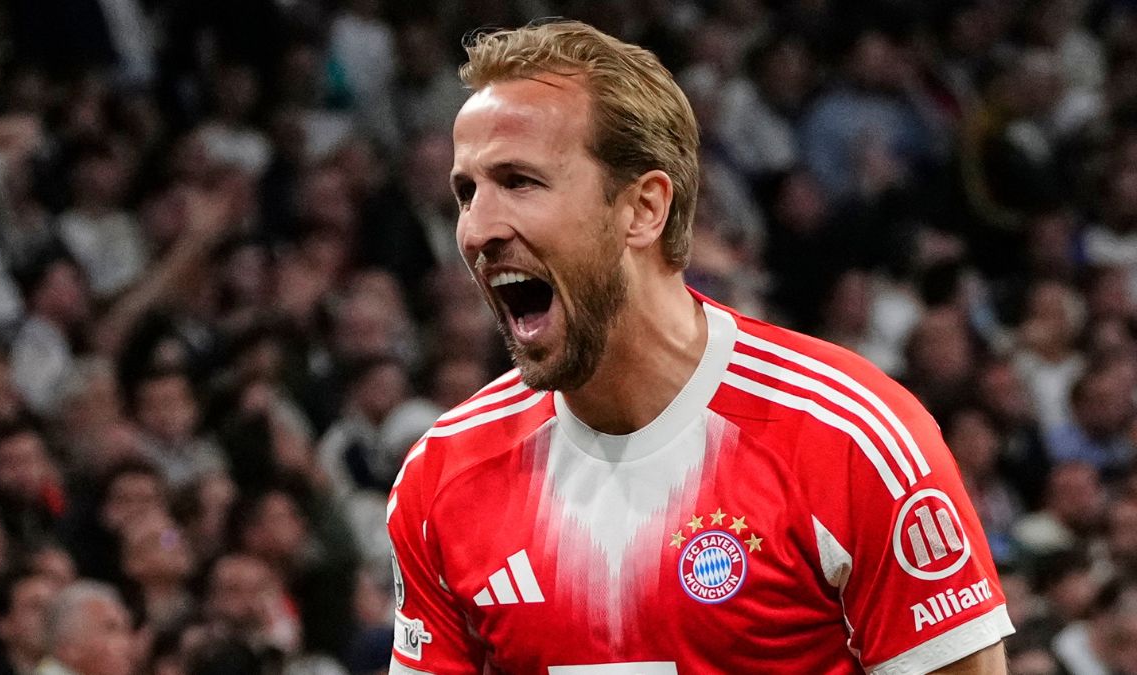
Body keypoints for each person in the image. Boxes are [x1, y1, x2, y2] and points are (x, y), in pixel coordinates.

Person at [386, 19, 1013, 674]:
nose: (477, 228)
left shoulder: (851, 440)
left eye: (520, 181)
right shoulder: (442, 478)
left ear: (644, 207)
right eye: (466, 191)